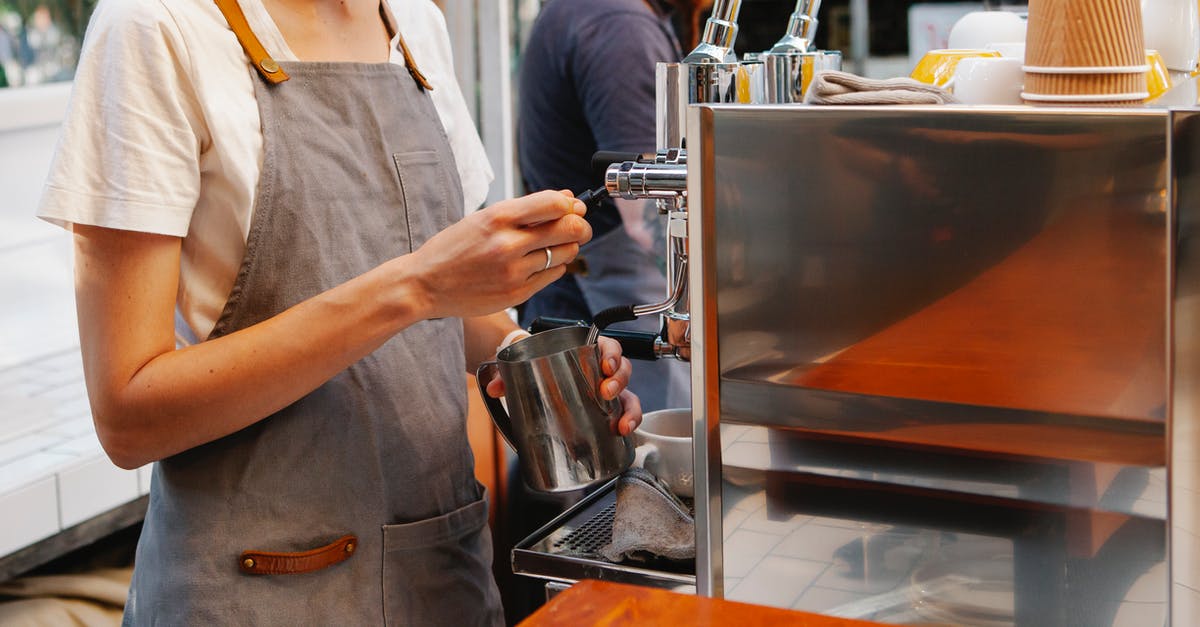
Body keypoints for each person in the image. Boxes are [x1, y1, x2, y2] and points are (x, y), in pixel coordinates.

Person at [36, 0, 642, 623]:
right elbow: (129, 416)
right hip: (255, 596)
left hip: (439, 580)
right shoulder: (154, 25)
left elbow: (446, 300)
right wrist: (416, 286)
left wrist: (532, 364)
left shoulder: (415, 27)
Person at [517, 0, 709, 414]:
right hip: (611, 291)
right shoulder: (621, 29)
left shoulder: (580, 11)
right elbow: (650, 214)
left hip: (564, 290)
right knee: (648, 457)